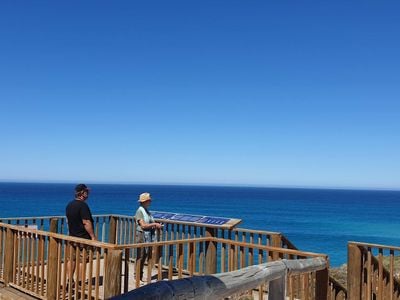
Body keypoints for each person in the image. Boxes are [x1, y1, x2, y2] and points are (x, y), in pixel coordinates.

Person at [65, 184, 96, 286]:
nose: (88, 194)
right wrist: (93, 237)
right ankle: (81, 283)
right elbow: (86, 222)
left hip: (72, 237)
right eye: (87, 192)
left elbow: (68, 221)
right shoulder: (83, 206)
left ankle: (70, 280)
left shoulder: (69, 205)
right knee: (83, 261)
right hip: (83, 238)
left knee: (72, 259)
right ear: (82, 193)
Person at [135, 192, 162, 283]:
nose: (150, 201)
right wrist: (154, 224)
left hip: (147, 236)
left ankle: (140, 276)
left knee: (144, 255)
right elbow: (143, 225)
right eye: (149, 200)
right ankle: (138, 276)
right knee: (141, 256)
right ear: (145, 201)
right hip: (142, 235)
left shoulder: (146, 210)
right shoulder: (140, 211)